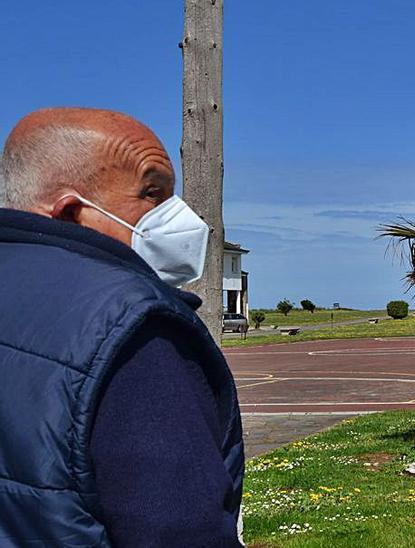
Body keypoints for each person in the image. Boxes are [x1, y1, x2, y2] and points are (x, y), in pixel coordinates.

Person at [0, 108, 243, 546]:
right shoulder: (134, 326)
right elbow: (178, 526)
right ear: (72, 213)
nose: (181, 217)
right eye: (152, 194)